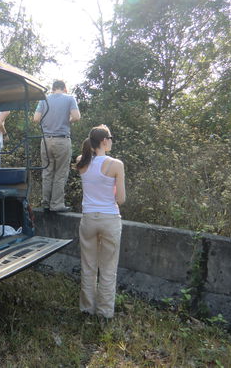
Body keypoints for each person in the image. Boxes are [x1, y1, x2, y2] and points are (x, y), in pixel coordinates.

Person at [76, 124, 126, 319]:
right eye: (110, 138)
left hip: (88, 218)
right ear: (104, 141)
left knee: (88, 266)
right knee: (108, 268)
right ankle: (104, 313)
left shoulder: (82, 161)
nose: (111, 141)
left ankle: (87, 309)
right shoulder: (116, 164)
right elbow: (120, 199)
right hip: (109, 219)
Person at [33, 80, 80, 212]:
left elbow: (36, 118)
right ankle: (56, 204)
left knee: (47, 172)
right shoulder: (70, 98)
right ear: (64, 88)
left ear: (52, 89)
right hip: (61, 140)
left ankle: (45, 203)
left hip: (46, 140)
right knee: (60, 173)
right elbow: (76, 117)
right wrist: (66, 120)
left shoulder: (44, 99)